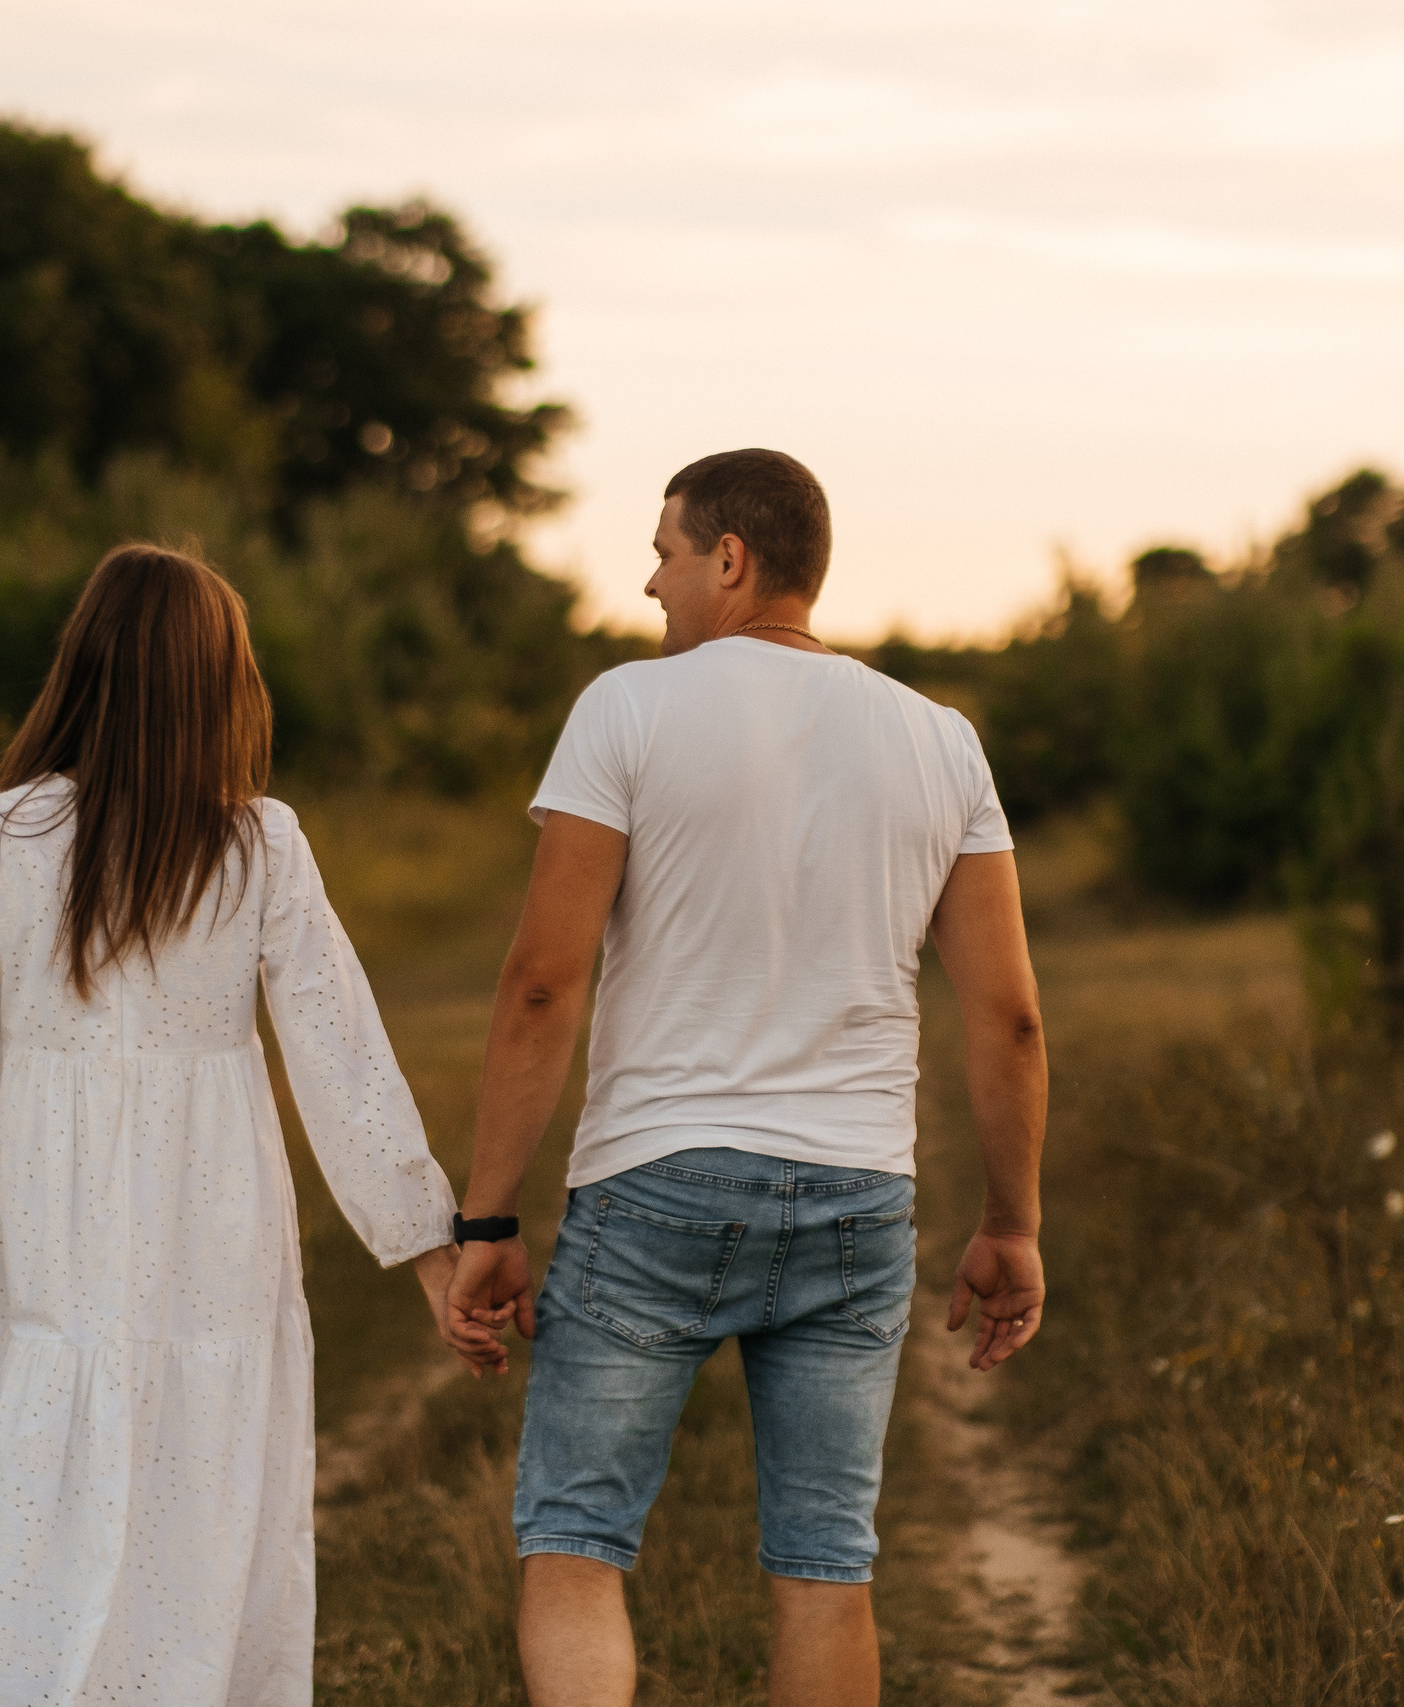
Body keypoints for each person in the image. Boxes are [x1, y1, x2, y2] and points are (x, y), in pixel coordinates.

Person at [0, 543, 502, 1706]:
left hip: (41, 1240)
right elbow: (340, 1058)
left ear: (81, 666)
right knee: (191, 1526)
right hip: (205, 1239)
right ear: (219, 687)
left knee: (14, 1515)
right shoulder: (256, 846)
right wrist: (428, 1252)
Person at [446, 449, 1049, 1707]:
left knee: (574, 1544)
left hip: (657, 1182)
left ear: (730, 559)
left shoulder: (625, 710)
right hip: (855, 1199)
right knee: (828, 1566)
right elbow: (1008, 1018)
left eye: (664, 550)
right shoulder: (939, 741)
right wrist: (1010, 1223)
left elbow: (543, 983)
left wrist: (488, 1219)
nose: (649, 580)